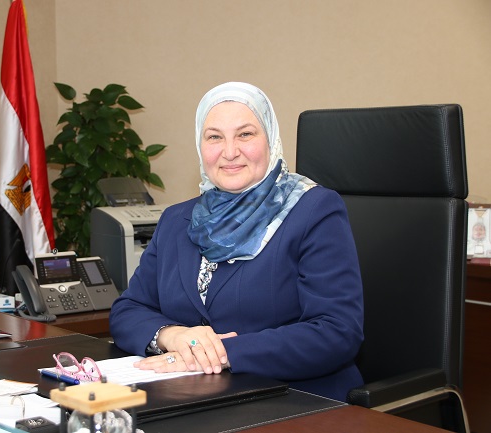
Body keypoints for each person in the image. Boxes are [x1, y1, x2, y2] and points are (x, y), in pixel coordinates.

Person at [109, 82, 364, 401]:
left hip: (295, 399)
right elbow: (128, 310)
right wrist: (172, 336)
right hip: (192, 398)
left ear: (270, 139)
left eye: (245, 134)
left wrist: (220, 352)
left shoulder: (314, 210)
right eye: (214, 137)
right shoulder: (176, 219)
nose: (229, 152)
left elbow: (337, 331)